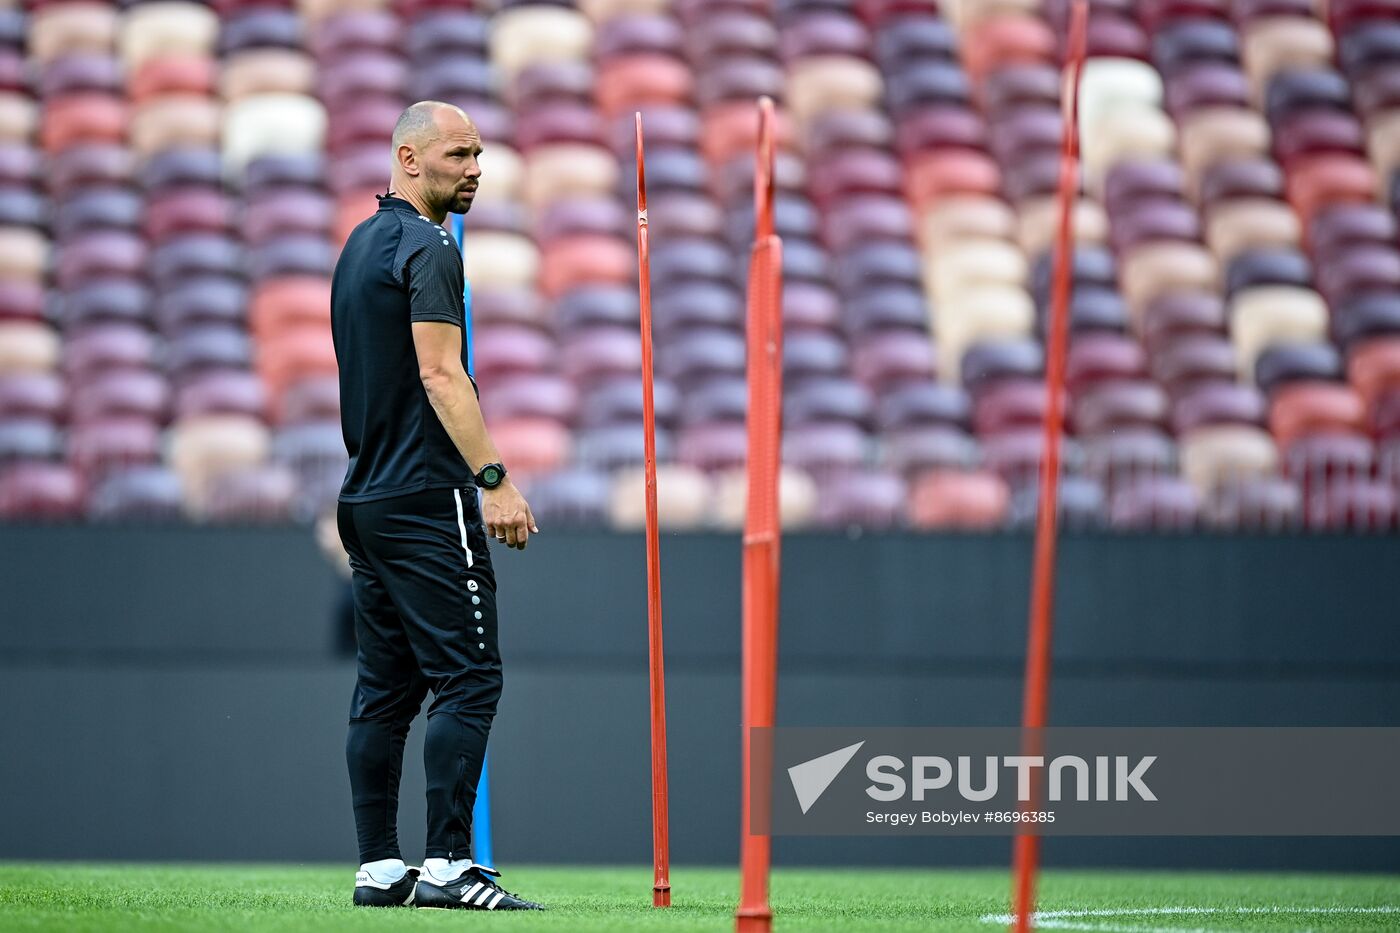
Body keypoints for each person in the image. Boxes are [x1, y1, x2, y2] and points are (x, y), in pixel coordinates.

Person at [330, 100, 543, 911]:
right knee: (470, 676)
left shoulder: (357, 247)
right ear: (409, 159)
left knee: (384, 689)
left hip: (367, 494)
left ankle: (380, 867)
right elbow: (441, 374)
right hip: (426, 496)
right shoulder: (429, 247)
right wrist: (495, 481)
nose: (476, 168)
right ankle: (452, 865)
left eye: (480, 154)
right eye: (459, 154)